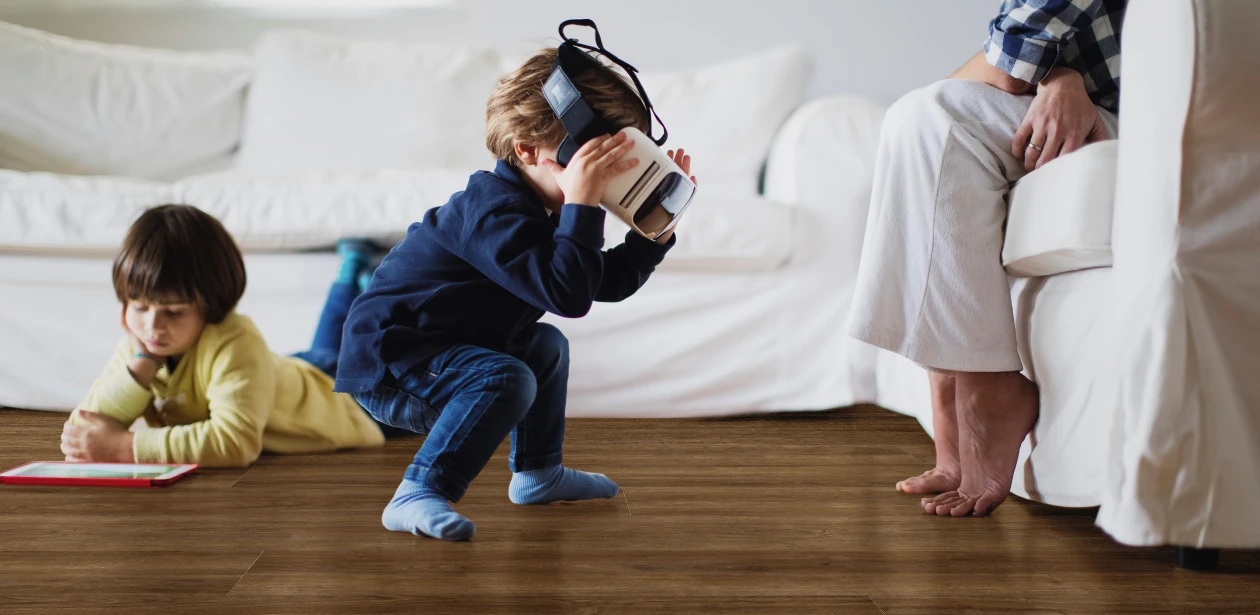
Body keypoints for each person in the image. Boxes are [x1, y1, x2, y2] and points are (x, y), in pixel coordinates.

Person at [333, 47, 696, 541]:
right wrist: (584, 204)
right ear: (527, 150)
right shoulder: (491, 211)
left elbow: (598, 284)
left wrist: (652, 233)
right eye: (589, 160)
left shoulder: (544, 208)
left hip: (453, 345)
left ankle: (537, 472)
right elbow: (568, 295)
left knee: (547, 347)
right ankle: (416, 493)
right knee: (507, 377)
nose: (604, 178)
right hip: (397, 362)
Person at [847, 0, 1126, 516]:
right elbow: (1004, 66)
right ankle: (950, 384)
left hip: (1156, 122)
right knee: (916, 117)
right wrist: (1058, 75)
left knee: (934, 118)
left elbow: (1007, 66)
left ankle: (984, 389)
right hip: (1111, 110)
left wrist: (1047, 74)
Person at [60, 205, 388, 466]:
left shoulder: (235, 339)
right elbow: (83, 431)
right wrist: (139, 369)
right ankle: (352, 272)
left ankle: (374, 290)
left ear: (211, 305)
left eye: (174, 311)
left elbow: (235, 442)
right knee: (327, 347)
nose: (153, 326)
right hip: (276, 374)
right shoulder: (141, 346)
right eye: (139, 307)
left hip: (341, 401)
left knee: (372, 349)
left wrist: (123, 447)